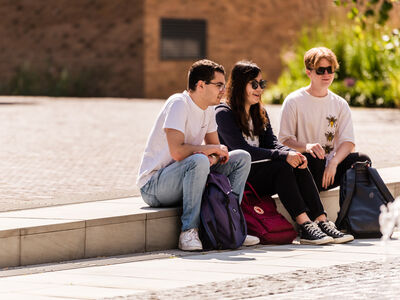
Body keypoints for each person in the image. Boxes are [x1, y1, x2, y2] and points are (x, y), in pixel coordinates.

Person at [216, 60, 353, 244]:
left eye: (262, 84)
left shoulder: (259, 112)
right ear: (240, 85)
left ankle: (321, 220)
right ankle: (304, 225)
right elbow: (244, 150)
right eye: (254, 84)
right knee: (282, 166)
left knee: (297, 160)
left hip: (261, 177)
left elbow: (272, 143)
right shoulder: (224, 113)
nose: (259, 89)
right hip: (239, 178)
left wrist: (292, 154)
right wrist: (284, 155)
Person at [137, 59, 257, 251]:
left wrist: (213, 155)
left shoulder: (208, 109)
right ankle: (188, 232)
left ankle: (230, 225)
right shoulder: (179, 103)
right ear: (201, 85)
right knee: (199, 160)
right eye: (218, 85)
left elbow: (216, 150)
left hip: (188, 174)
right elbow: (177, 152)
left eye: (224, 86)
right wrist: (208, 152)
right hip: (154, 186)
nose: (223, 91)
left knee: (241, 157)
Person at [279, 47, 371, 193]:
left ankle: (351, 212)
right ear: (309, 72)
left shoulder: (340, 103)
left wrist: (334, 163)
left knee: (362, 160)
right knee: (314, 157)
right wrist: (307, 146)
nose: (326, 74)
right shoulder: (293, 101)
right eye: (320, 70)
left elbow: (348, 142)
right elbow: (284, 141)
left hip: (331, 171)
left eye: (330, 69)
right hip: (305, 169)